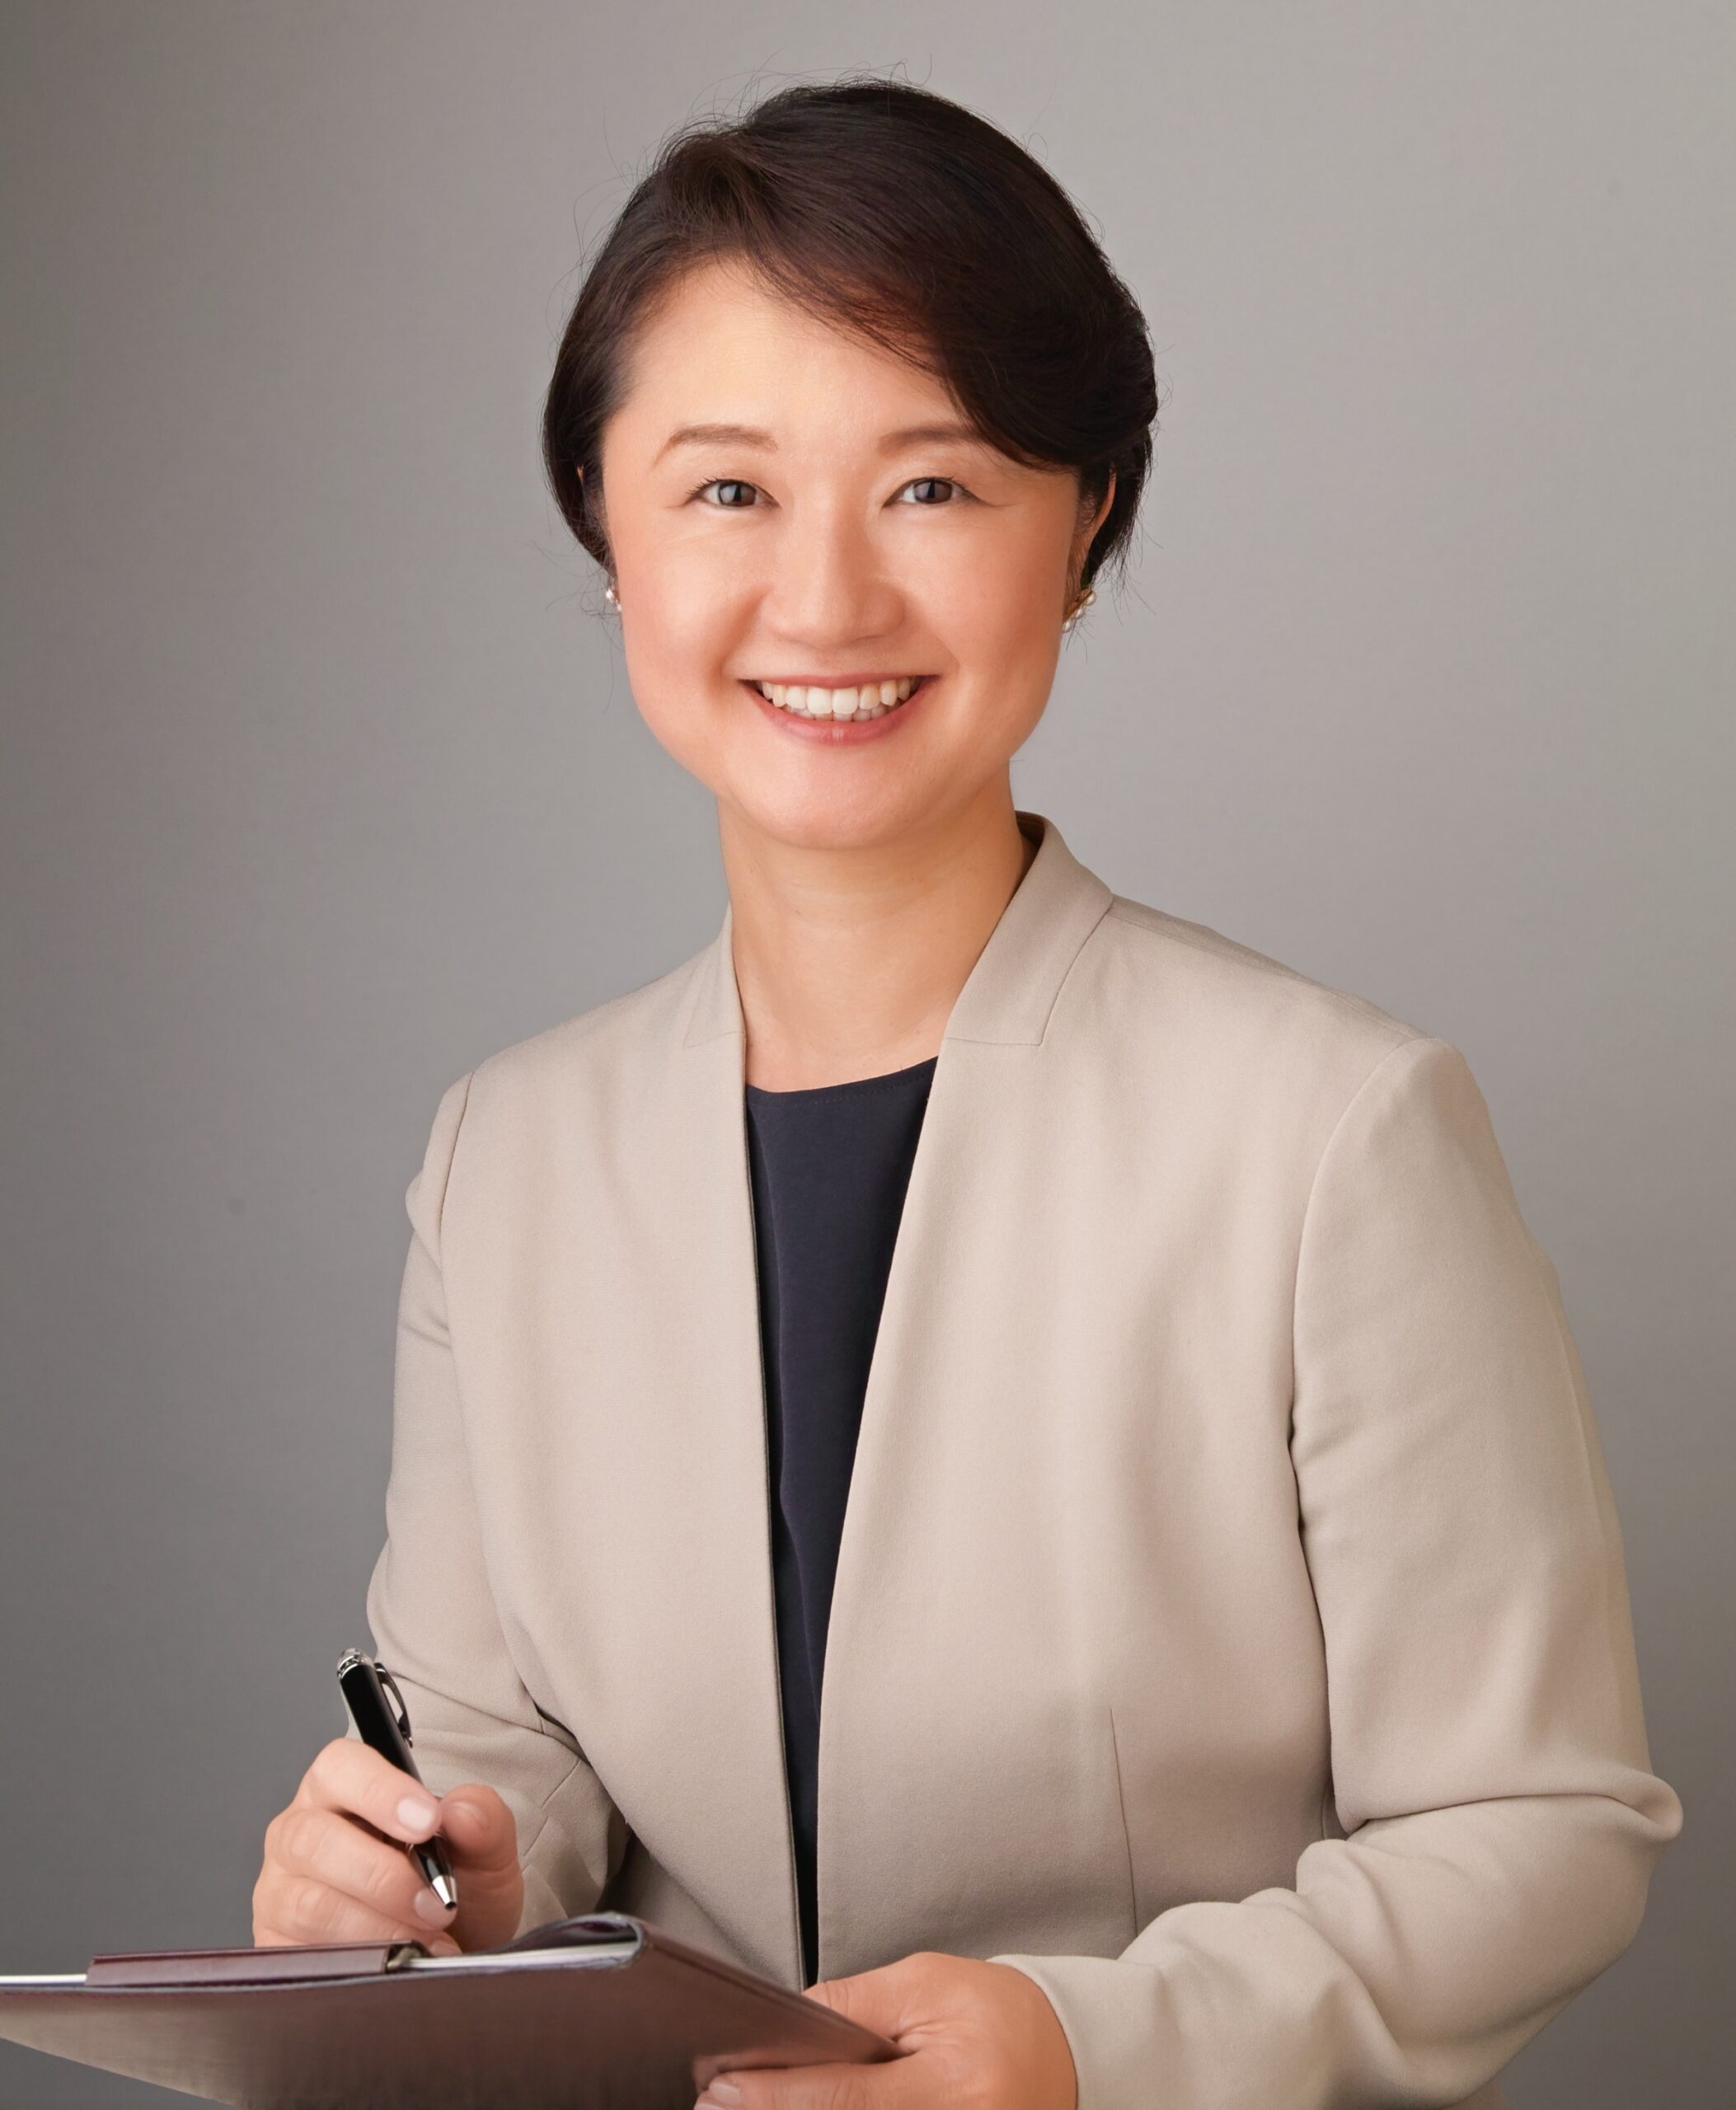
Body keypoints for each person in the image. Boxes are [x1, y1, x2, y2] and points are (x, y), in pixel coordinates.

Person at [251, 77, 1682, 2110]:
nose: (827, 600)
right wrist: (441, 1876)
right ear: (606, 527)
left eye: (932, 485)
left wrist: (1093, 2044)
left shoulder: (1334, 1132)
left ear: (1083, 523)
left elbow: (1540, 1823)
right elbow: (504, 1748)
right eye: (728, 491)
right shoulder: (507, 1158)